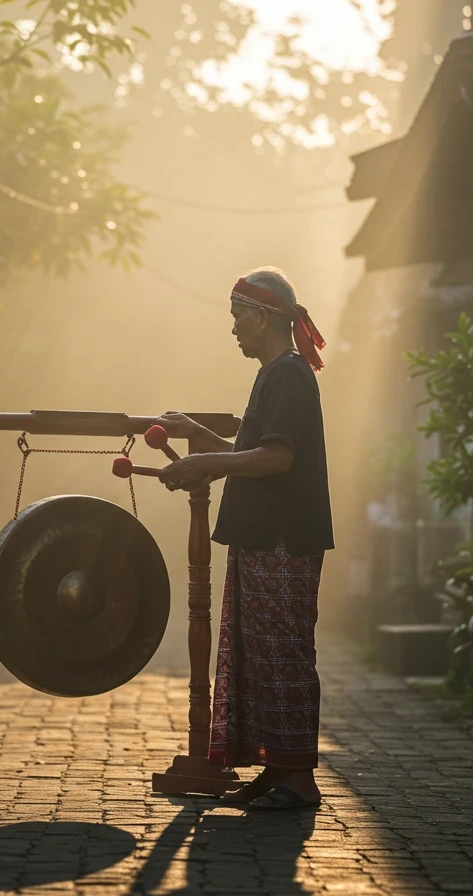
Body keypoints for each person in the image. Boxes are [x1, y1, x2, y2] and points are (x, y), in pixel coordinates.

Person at [154, 266, 333, 811]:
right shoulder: (273, 374)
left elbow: (277, 458)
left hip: (283, 540)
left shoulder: (289, 376)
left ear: (263, 316)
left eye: (237, 317)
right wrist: (197, 437)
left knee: (282, 654)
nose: (233, 329)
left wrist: (207, 460)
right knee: (259, 655)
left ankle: (298, 778)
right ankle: (277, 770)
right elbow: (253, 450)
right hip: (264, 537)